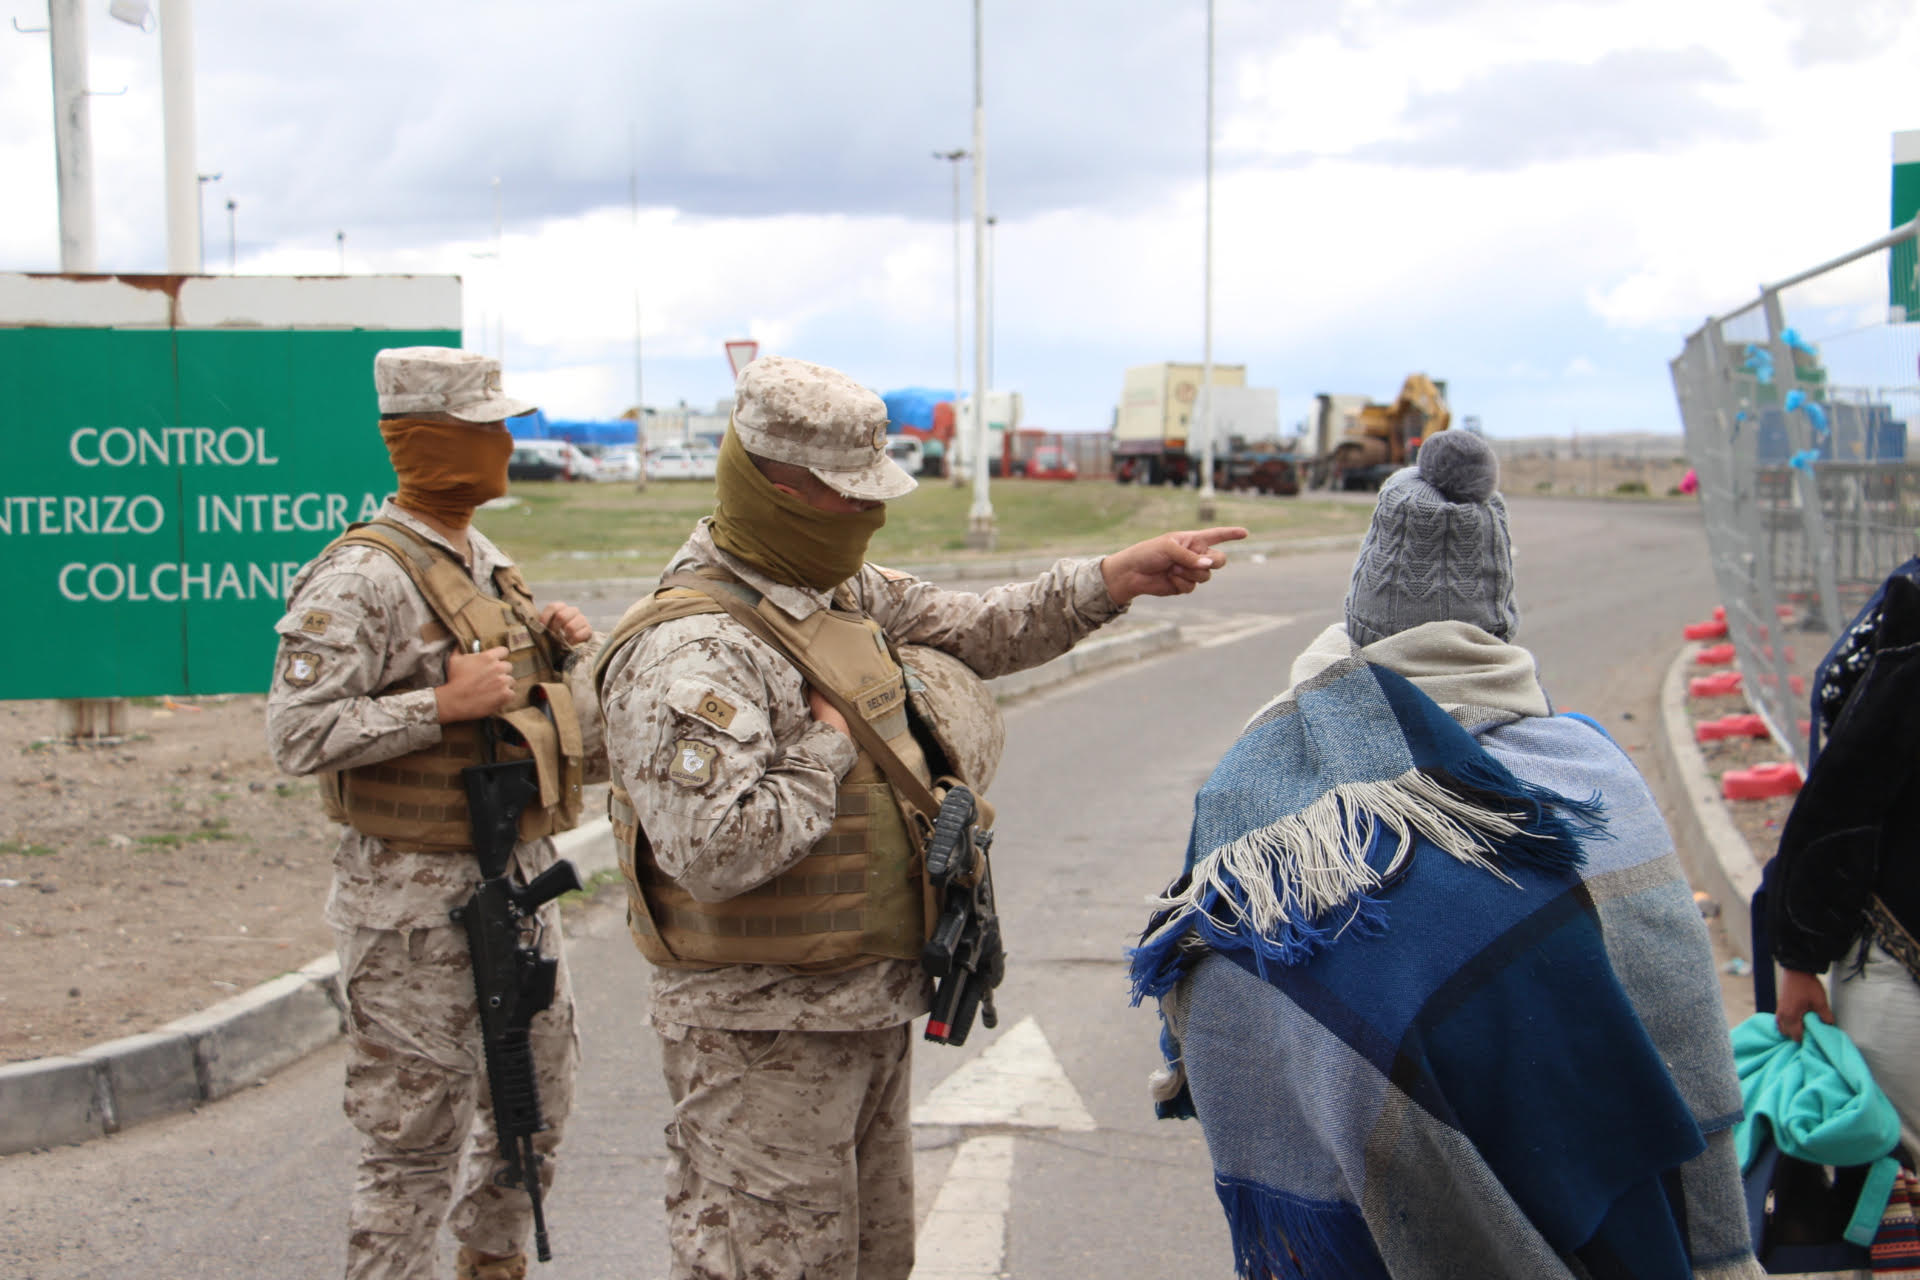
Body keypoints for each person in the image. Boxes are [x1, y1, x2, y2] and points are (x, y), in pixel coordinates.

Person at [592, 354, 1247, 1280]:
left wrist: (1112, 579)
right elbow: (714, 850)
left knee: (873, 1262)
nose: (873, 513)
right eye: (850, 494)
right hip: (759, 1041)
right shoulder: (693, 649)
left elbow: (978, 626)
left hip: (865, 1008)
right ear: (779, 488)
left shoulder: (832, 590)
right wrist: (828, 747)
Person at [1132, 430, 1761, 1280]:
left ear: (1360, 617)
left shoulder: (1256, 790)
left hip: (1355, 1228)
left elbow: (1218, 1004)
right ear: (1498, 622)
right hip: (1621, 1215)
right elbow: (1677, 1011)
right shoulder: (1594, 768)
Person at [266, 347, 607, 1280]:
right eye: (488, 428)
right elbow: (296, 733)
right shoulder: (360, 577)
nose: (507, 445)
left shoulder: (486, 564)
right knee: (411, 1143)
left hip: (516, 881)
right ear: (431, 441)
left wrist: (563, 655)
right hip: (410, 906)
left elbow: (537, 720)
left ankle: (491, 1263)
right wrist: (438, 706)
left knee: (534, 1110)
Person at [1768, 556, 1920, 1156]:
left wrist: (1799, 956)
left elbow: (1844, 795)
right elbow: (1847, 795)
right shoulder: (1911, 613)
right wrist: (1800, 956)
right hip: (1896, 957)